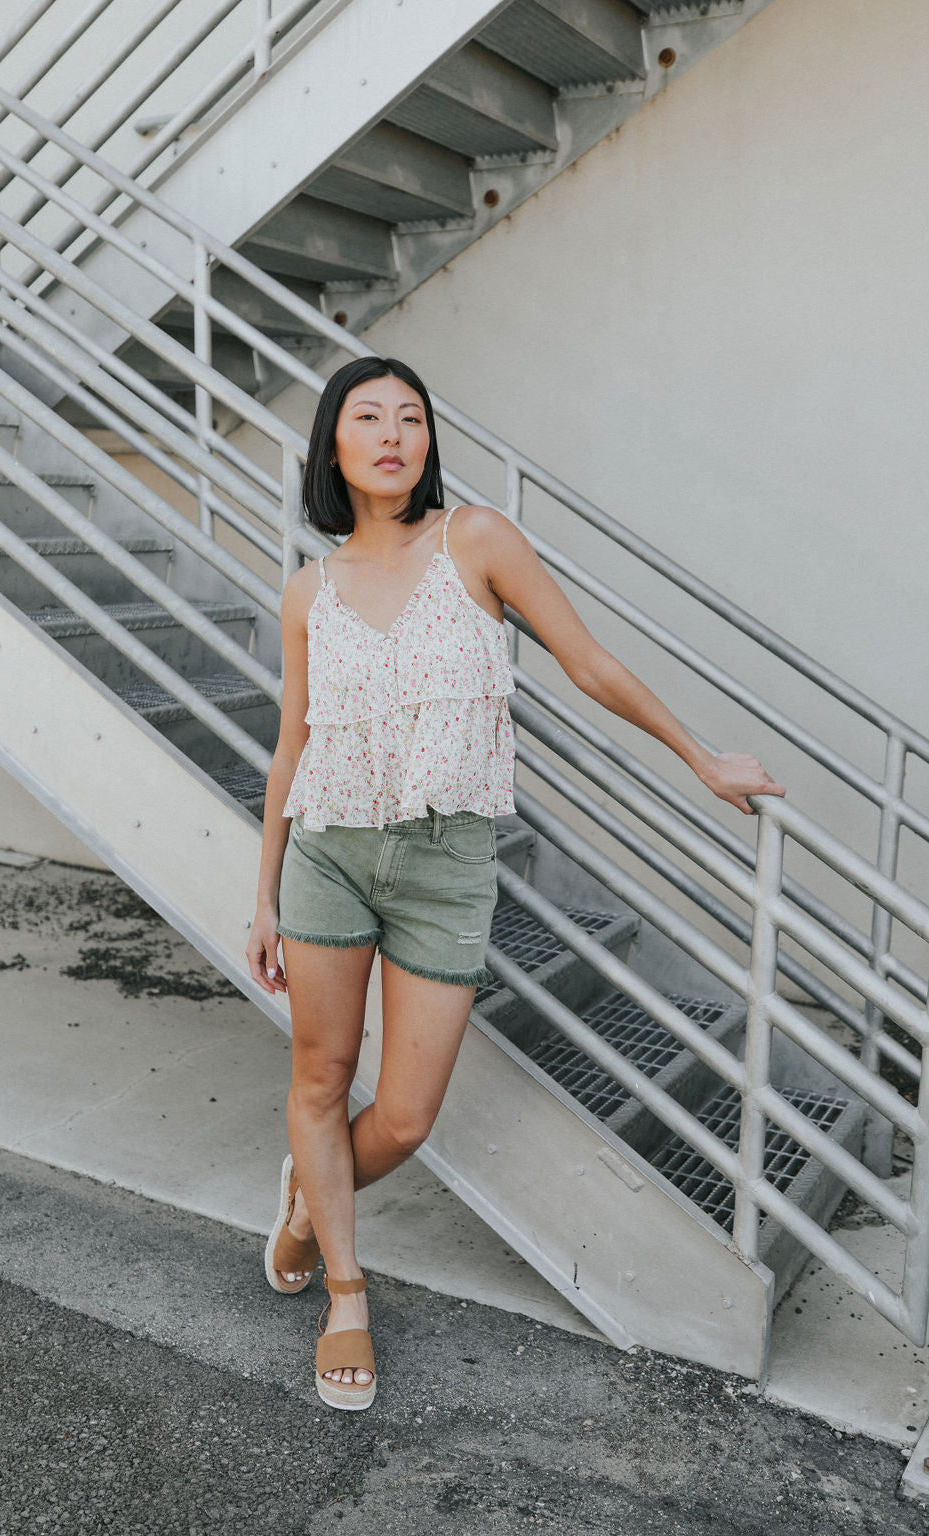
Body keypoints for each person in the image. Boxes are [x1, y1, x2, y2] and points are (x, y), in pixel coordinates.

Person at [246, 355, 785, 1411]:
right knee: (320, 1077)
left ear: (427, 444)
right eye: (368, 417)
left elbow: (585, 662)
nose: (393, 433)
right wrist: (263, 891)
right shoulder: (308, 591)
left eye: (411, 417)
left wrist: (700, 755)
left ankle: (311, 1203)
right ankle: (346, 1295)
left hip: (447, 862)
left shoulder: (478, 541)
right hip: (330, 853)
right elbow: (289, 747)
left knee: (400, 1119)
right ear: (335, 448)